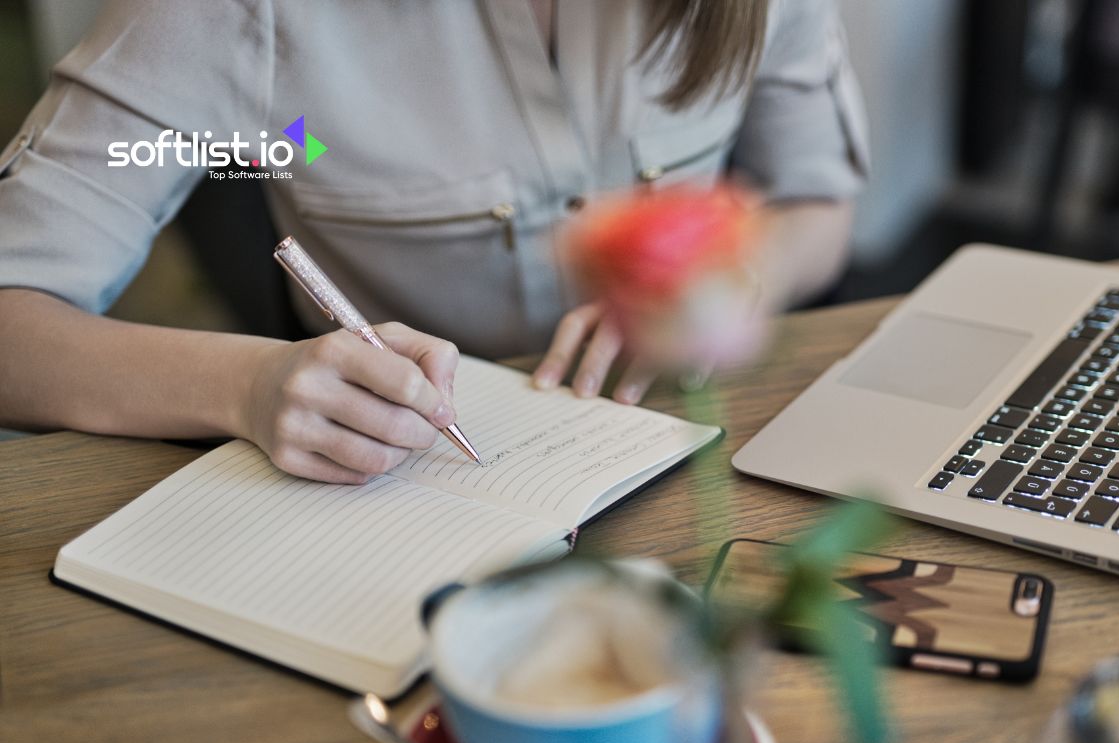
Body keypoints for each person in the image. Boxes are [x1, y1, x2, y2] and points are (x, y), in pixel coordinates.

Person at [0, 0, 868, 483]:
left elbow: (818, 205)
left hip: (701, 457)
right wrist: (249, 382)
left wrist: (744, 275)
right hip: (404, 484)